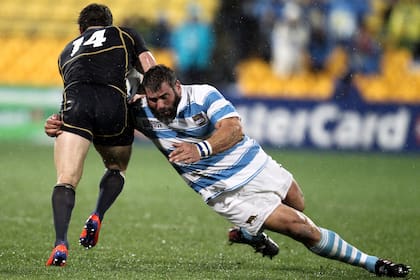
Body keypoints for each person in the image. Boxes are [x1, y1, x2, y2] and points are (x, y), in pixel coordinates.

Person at [45, 65, 411, 277]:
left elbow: (234, 128)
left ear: (177, 87)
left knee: (299, 201)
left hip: (254, 163)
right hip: (224, 190)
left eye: (164, 98)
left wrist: (199, 147)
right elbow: (94, 120)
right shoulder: (138, 109)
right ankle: (375, 264)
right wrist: (61, 123)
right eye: (152, 100)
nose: (159, 106)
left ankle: (248, 234)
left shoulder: (203, 94)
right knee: (300, 228)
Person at [44, 3, 156, 266]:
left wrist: (56, 120)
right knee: (116, 166)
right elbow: (151, 67)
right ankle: (97, 215)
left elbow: (76, 84)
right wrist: (144, 92)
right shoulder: (124, 33)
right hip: (113, 102)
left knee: (66, 180)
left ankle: (60, 243)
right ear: (108, 23)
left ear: (81, 29)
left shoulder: (66, 51)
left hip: (76, 103)